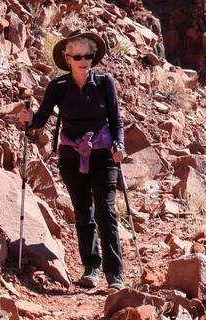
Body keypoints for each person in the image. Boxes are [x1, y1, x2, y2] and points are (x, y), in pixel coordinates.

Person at [18, 29, 127, 290]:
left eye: (88, 55)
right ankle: (91, 268)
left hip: (103, 155)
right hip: (71, 157)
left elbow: (116, 119)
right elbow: (41, 119)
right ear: (67, 58)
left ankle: (115, 275)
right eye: (77, 55)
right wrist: (29, 119)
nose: (83, 60)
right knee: (83, 213)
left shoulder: (105, 82)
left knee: (106, 210)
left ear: (93, 57)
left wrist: (119, 144)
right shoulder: (59, 86)